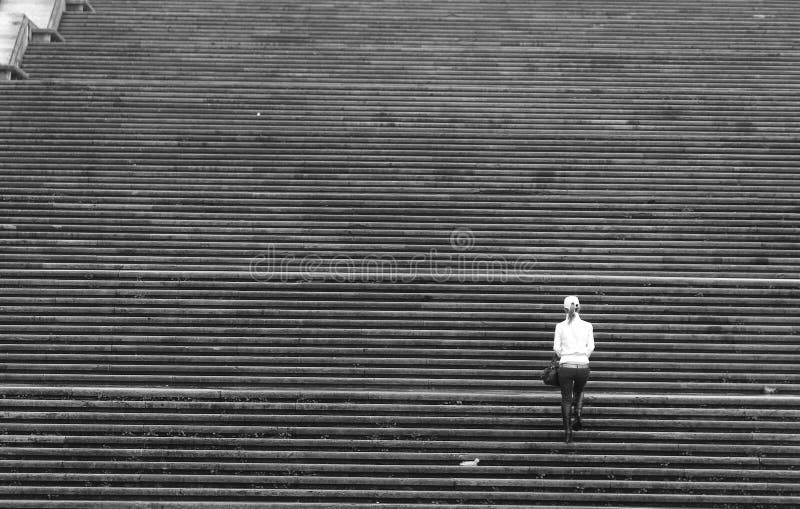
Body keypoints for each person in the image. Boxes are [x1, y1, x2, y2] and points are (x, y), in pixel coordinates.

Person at [553, 295, 594, 443]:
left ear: (564, 308)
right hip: (583, 366)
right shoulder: (588, 326)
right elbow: (591, 347)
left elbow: (556, 348)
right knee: (580, 391)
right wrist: (583, 356)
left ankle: (568, 432)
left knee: (566, 399)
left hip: (566, 366)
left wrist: (565, 355)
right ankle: (578, 412)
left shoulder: (560, 326)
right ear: (579, 307)